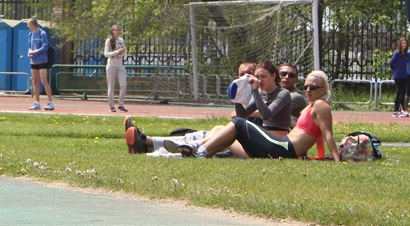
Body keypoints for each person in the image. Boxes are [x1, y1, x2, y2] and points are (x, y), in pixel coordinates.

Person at [185, 70, 340, 161]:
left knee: (239, 123)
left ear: (323, 89)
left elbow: (328, 135)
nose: (308, 90)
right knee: (232, 127)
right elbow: (318, 136)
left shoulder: (321, 105)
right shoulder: (312, 106)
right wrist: (320, 156)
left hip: (284, 147)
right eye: (306, 87)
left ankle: (198, 148)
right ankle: (199, 153)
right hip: (283, 146)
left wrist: (337, 160)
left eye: (312, 87)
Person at [125, 61, 255, 154]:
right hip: (237, 137)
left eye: (249, 73)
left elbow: (267, 113)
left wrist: (245, 114)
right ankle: (146, 143)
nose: (246, 78)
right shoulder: (244, 94)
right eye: (242, 74)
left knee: (211, 134)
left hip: (244, 142)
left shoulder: (261, 94)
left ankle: (147, 143)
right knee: (196, 135)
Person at [26, 17, 54, 111]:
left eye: (28, 24)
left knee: (44, 81)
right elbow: (30, 46)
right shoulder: (30, 34)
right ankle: (37, 102)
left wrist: (35, 51)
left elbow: (45, 46)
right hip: (34, 61)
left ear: (32, 24)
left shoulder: (42, 33)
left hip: (42, 60)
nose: (27, 26)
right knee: (35, 81)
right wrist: (29, 52)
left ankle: (50, 102)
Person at [104, 24, 127, 112]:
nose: (118, 32)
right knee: (111, 86)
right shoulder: (109, 41)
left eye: (119, 30)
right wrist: (117, 51)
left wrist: (123, 52)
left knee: (123, 84)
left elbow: (124, 51)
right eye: (116, 30)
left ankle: (121, 105)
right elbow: (106, 54)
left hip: (120, 65)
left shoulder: (121, 40)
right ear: (112, 31)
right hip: (111, 65)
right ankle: (111, 106)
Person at [278, 63, 307, 128]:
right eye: (283, 74)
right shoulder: (273, 92)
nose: (287, 77)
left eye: (291, 75)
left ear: (296, 80)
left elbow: (269, 112)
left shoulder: (296, 96)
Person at [390, 36, 409, 118]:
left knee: (399, 93)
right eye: (403, 43)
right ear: (400, 44)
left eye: (405, 43)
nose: (404, 44)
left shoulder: (407, 54)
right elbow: (391, 63)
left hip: (404, 75)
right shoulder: (397, 53)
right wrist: (395, 69)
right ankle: (402, 109)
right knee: (402, 91)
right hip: (398, 75)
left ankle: (395, 110)